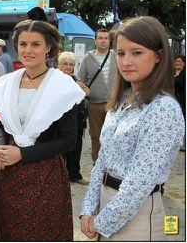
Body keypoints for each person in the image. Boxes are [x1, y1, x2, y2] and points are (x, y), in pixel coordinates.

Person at [80, 16, 185, 241]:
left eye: (137, 52)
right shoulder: (121, 101)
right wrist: (88, 208)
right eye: (120, 53)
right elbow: (102, 160)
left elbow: (140, 183)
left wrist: (100, 221)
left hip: (137, 215)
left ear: (158, 56)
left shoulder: (162, 108)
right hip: (107, 204)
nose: (126, 61)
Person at [0, 19, 85, 241]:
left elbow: (69, 140)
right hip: (9, 175)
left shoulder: (64, 86)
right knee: (10, 232)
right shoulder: (5, 83)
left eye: (35, 44)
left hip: (45, 176)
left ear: (48, 47)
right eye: (23, 44)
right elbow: (3, 125)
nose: (28, 50)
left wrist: (22, 154)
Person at [77, 29, 117, 163]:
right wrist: (86, 90)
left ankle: (112, 163)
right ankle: (97, 163)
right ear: (95, 41)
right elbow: (79, 79)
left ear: (109, 40)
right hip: (95, 104)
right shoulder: (88, 57)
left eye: (106, 38)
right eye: (100, 38)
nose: (103, 40)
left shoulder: (116, 56)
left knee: (115, 134)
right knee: (96, 135)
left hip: (114, 103)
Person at [57, 51, 90, 185]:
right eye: (65, 64)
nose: (68, 67)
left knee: (76, 148)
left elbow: (88, 92)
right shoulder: (55, 79)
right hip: (61, 121)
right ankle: (61, 176)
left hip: (77, 120)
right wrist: (77, 89)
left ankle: (75, 174)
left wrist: (79, 89)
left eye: (71, 64)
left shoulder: (75, 78)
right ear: (59, 64)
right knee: (61, 150)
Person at [174, 54, 186, 151]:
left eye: (180, 61)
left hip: (182, 100)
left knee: (183, 120)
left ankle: (184, 144)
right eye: (176, 61)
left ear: (184, 63)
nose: (178, 63)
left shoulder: (184, 74)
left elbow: (181, 84)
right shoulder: (172, 72)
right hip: (173, 99)